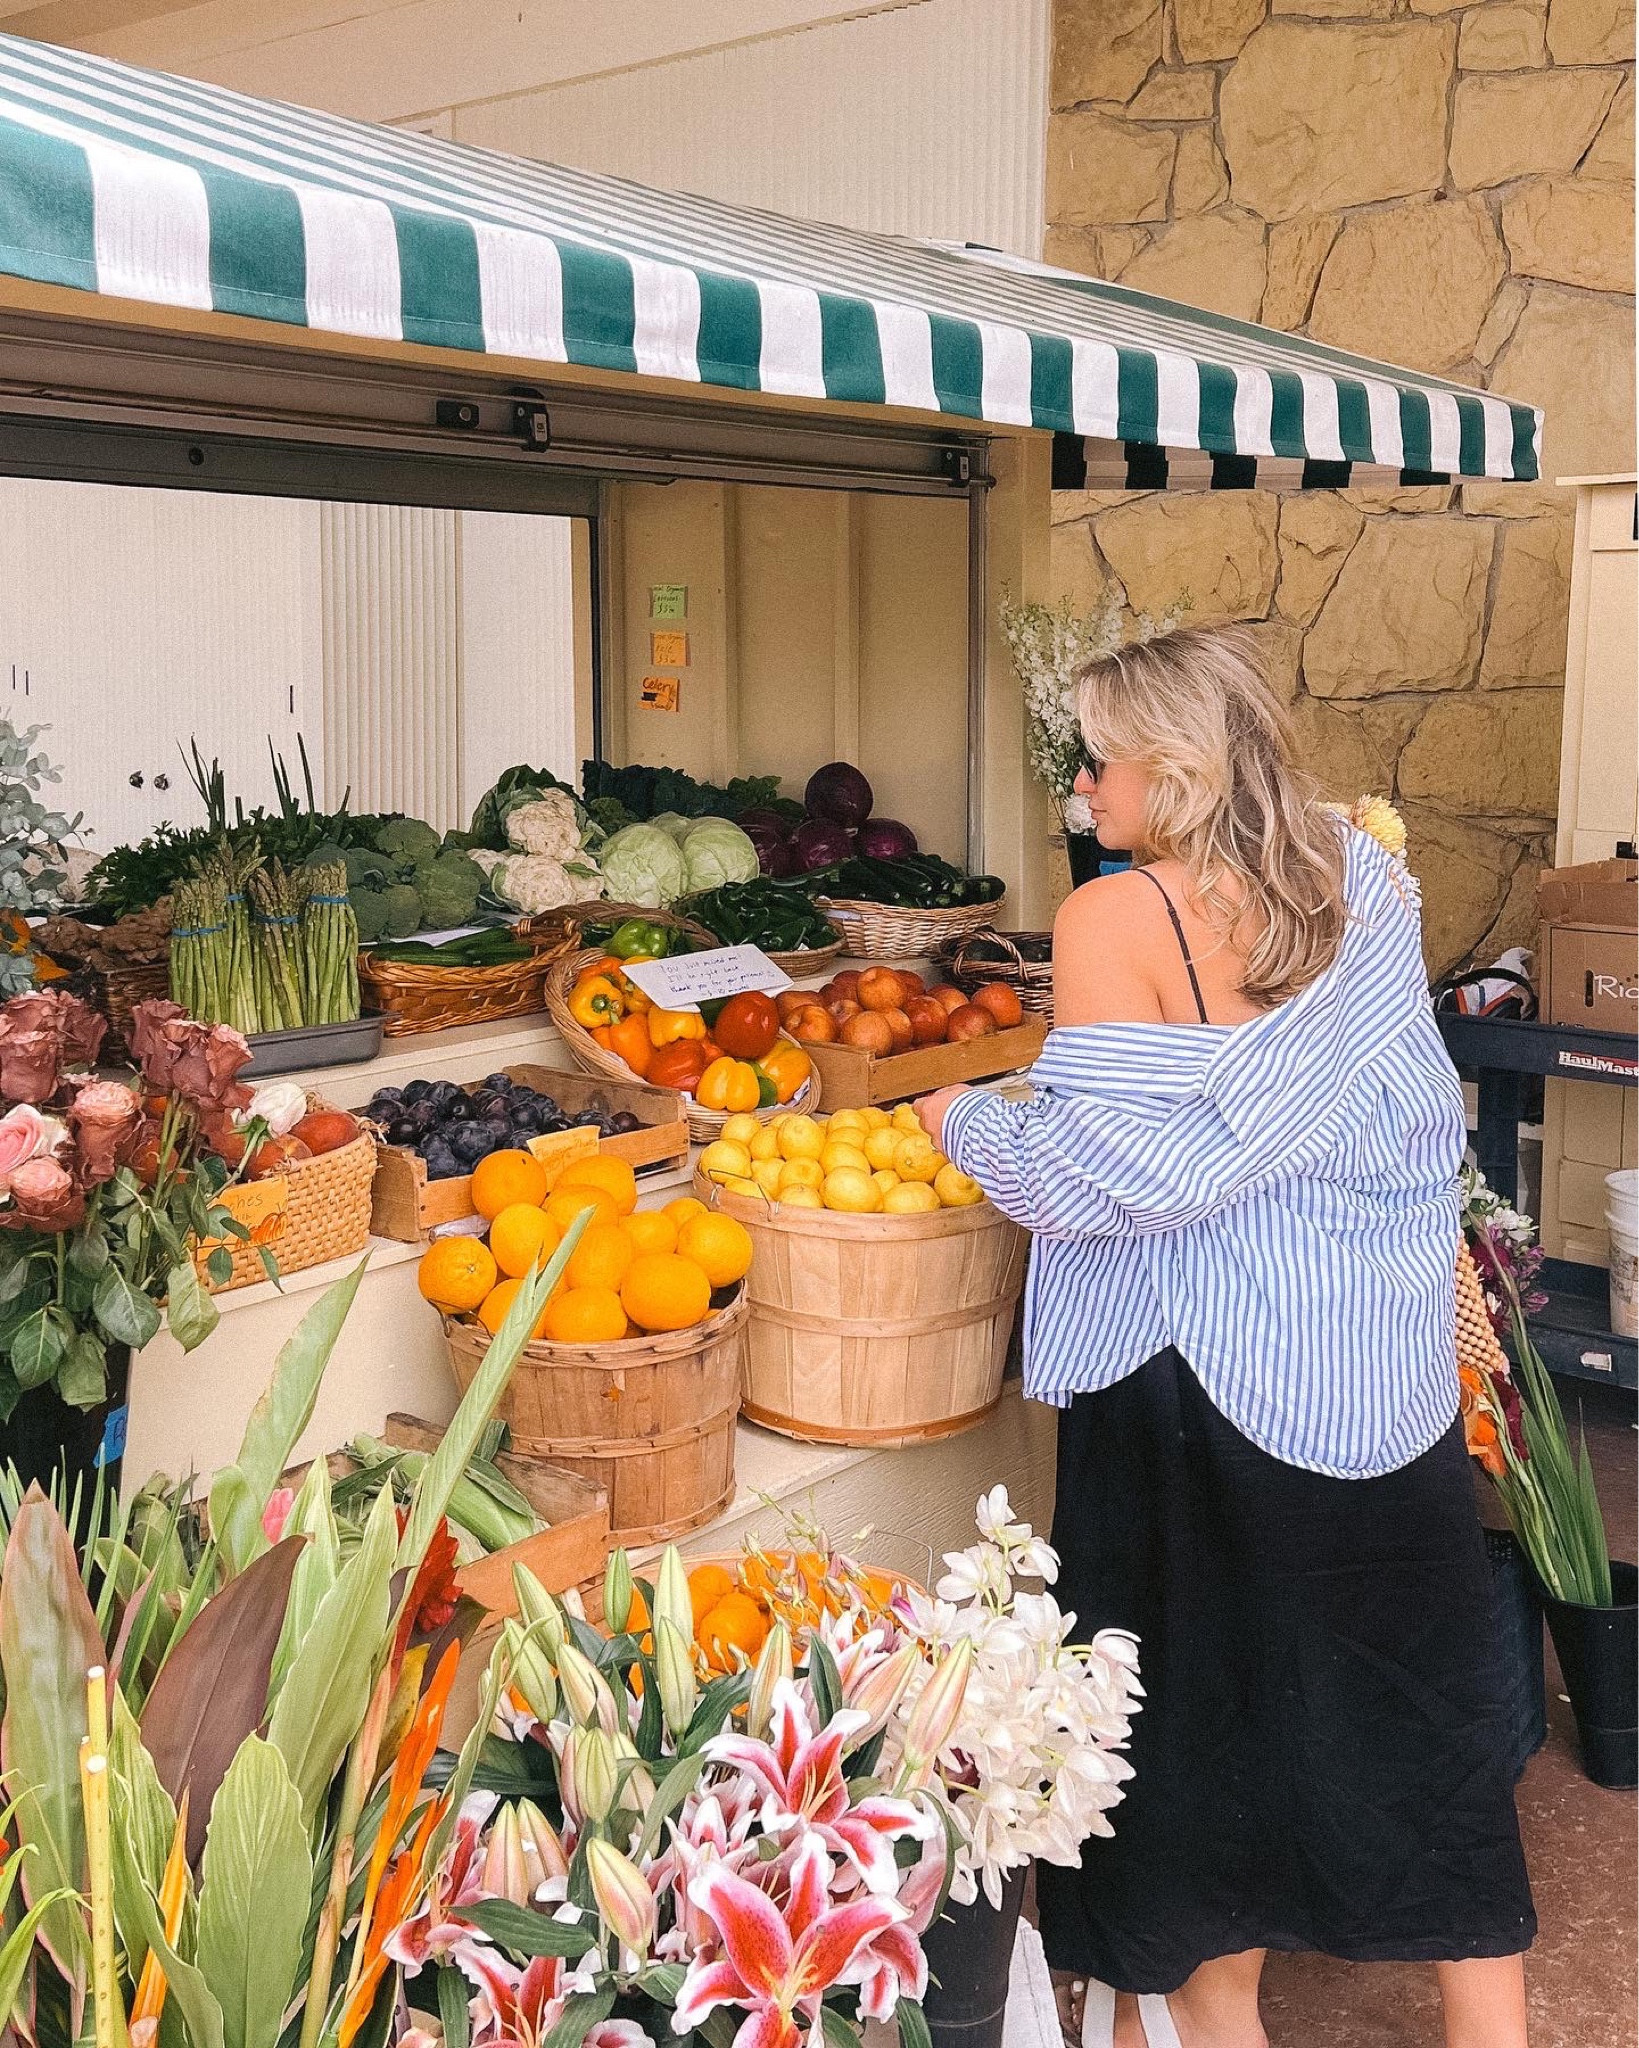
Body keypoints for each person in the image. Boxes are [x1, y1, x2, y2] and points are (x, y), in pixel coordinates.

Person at [916, 624, 1534, 2048]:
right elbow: (1373, 1110)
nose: (1081, 787)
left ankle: (1215, 2026)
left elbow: (1118, 1177)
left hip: (1197, 1382)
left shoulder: (1118, 920)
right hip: (1377, 1375)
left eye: (1098, 758)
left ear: (1174, 769)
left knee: (1198, 1751)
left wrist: (969, 1126)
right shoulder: (1363, 878)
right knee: (1419, 1723)